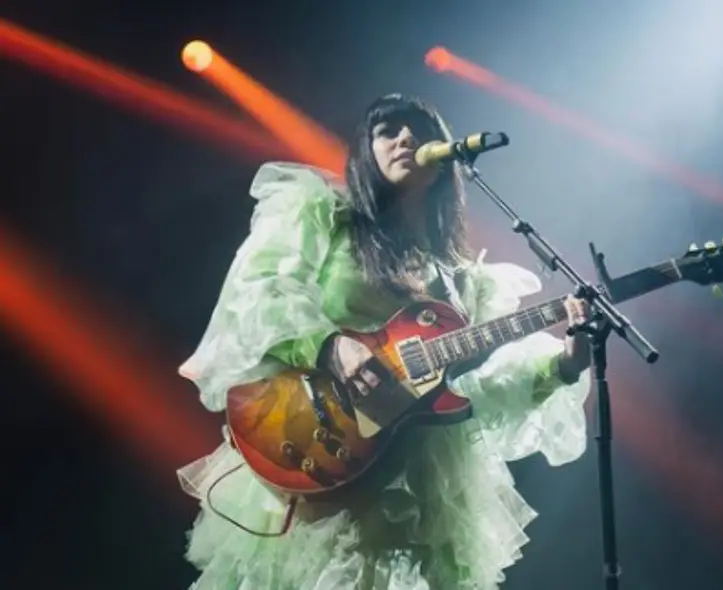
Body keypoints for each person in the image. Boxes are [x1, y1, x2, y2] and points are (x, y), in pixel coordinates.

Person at [176, 93, 593, 589]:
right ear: (365, 153)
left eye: (418, 129)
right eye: (387, 131)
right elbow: (263, 289)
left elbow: (474, 390)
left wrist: (562, 365)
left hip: (417, 473)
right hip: (317, 434)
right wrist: (331, 345)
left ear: (445, 164)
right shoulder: (324, 214)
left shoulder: (460, 282)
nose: (405, 139)